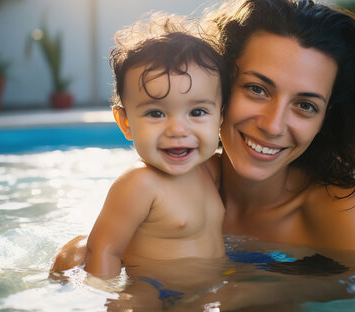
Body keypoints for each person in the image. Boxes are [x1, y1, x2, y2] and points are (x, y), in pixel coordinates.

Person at [51, 0, 355, 273]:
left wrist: (247, 292)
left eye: (305, 106)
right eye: (257, 89)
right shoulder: (184, 179)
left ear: (327, 119)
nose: (273, 125)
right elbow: (103, 251)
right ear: (220, 88)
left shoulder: (338, 210)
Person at [59, 15, 229, 279]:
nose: (177, 130)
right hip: (150, 291)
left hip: (203, 290)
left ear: (220, 117)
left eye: (197, 111)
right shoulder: (139, 184)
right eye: (156, 114)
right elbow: (103, 250)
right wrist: (106, 296)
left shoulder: (211, 170)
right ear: (125, 122)